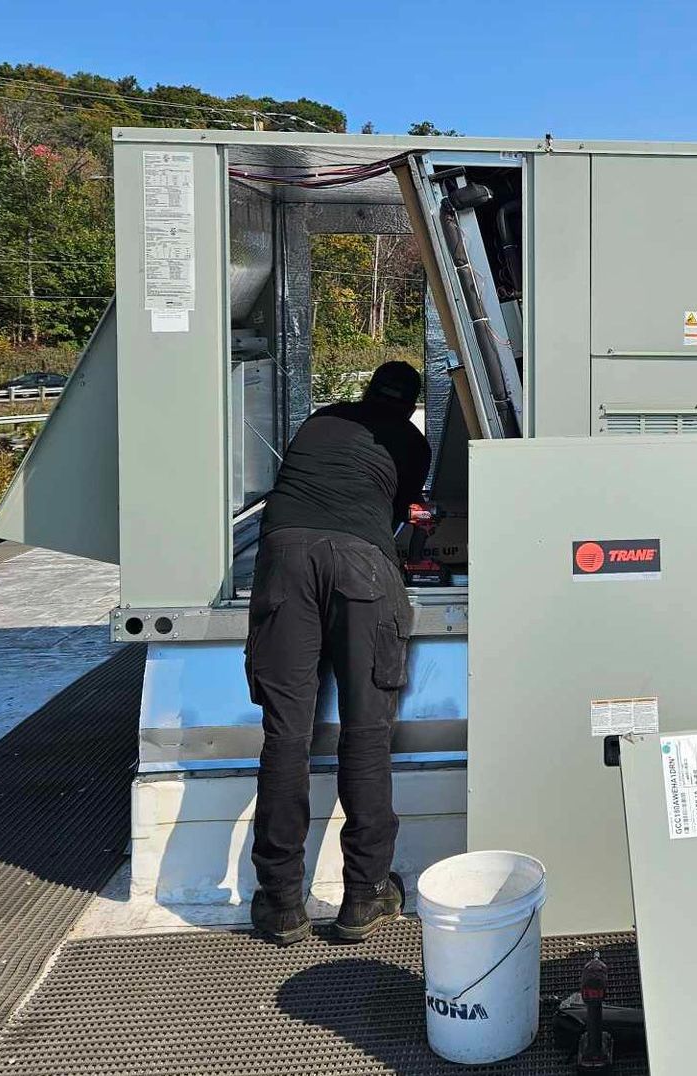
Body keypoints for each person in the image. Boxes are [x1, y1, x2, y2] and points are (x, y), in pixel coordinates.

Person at [246, 361, 430, 944]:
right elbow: (395, 517)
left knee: (286, 736)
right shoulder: (411, 443)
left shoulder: (322, 420)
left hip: (285, 560)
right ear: (407, 406)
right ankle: (364, 894)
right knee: (367, 732)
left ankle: (280, 902)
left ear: (366, 391)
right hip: (362, 565)